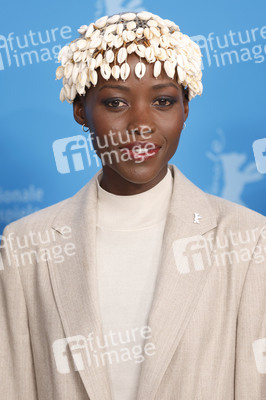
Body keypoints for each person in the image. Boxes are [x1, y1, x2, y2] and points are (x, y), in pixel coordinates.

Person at [0, 10, 265, 400]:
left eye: (162, 101)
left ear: (185, 110)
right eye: (115, 104)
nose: (141, 124)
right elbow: (14, 384)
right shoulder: (27, 243)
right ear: (80, 112)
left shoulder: (248, 238)